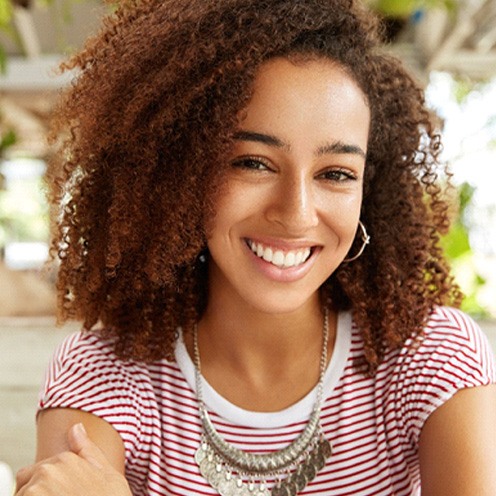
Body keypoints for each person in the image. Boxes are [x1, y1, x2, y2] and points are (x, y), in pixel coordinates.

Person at [14, 0, 496, 494]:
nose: (296, 213)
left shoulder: (429, 357)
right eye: (253, 163)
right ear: (180, 170)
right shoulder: (103, 375)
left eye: (335, 174)